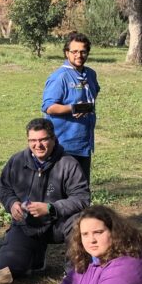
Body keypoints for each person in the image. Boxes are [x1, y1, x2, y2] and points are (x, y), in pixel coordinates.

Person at [0, 118, 90, 277]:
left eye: (43, 139)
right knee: (10, 269)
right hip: (26, 223)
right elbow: (3, 187)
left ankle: (73, 275)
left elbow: (82, 198)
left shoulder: (68, 163)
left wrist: (51, 208)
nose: (37, 145)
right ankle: (36, 257)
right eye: (32, 140)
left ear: (53, 139)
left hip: (59, 224)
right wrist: (12, 203)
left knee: (80, 224)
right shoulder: (17, 161)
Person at [42, 32, 100, 182]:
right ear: (67, 53)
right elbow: (48, 107)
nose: (79, 55)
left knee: (81, 190)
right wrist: (73, 108)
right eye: (74, 51)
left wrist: (85, 107)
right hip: (63, 144)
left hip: (84, 143)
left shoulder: (90, 74)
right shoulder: (60, 76)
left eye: (83, 51)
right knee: (61, 190)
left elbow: (94, 92)